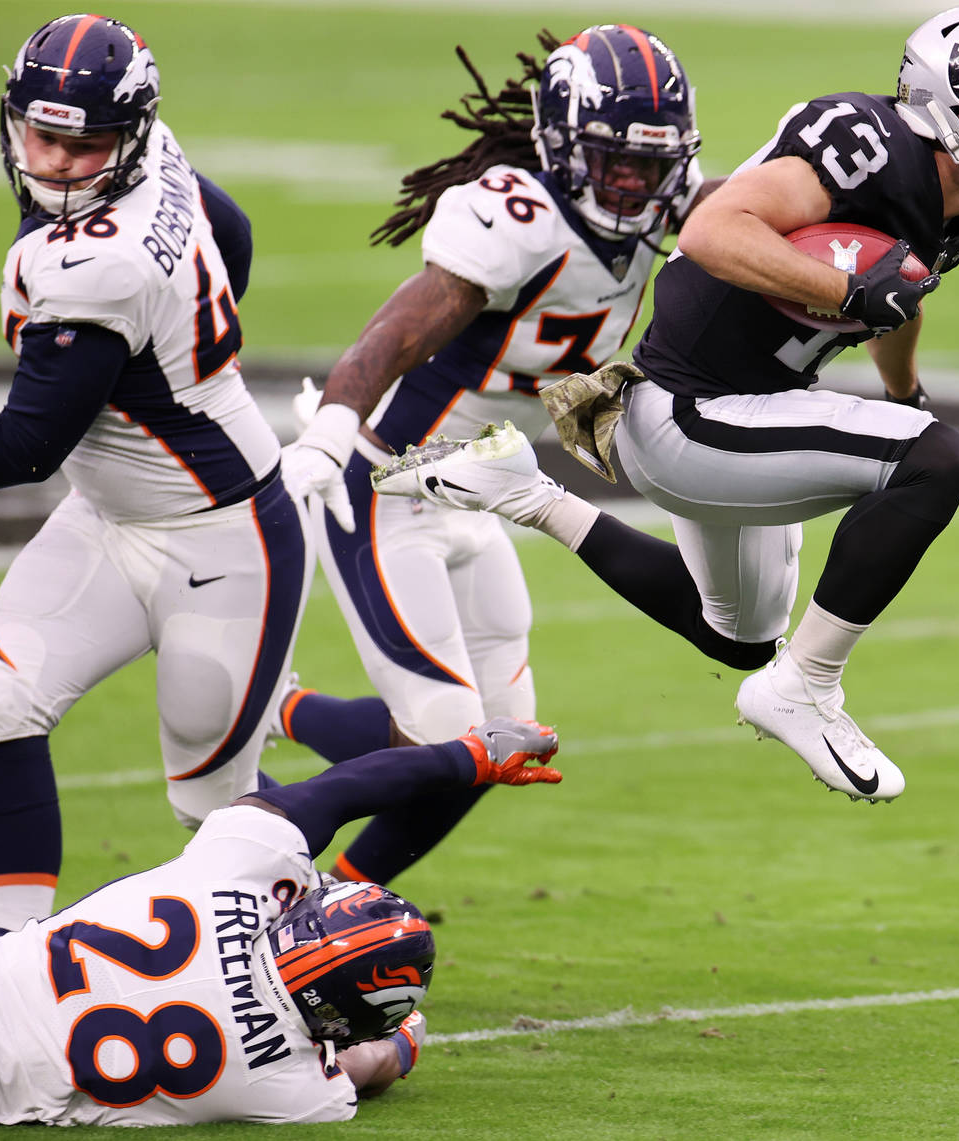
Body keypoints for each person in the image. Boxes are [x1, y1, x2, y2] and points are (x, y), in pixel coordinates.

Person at [370, 5, 959, 803]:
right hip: (691, 413)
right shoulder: (865, 145)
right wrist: (848, 290)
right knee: (935, 459)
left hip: (746, 406)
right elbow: (715, 230)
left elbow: (901, 290)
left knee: (738, 637)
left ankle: (527, 493)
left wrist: (902, 387)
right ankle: (808, 686)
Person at [277, 25, 716, 883]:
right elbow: (401, 331)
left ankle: (328, 850)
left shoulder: (675, 195)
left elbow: (751, 212)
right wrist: (333, 427)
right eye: (613, 159)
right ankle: (306, 901)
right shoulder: (516, 214)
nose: (633, 182)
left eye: (650, 164)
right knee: (452, 741)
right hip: (388, 485)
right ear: (560, 141)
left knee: (504, 742)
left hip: (478, 492)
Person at [0, 15, 313, 931]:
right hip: (110, 516)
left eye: (88, 145)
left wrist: (171, 336)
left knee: (212, 808)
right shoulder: (155, 156)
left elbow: (22, 447)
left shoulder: (98, 265)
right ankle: (12, 957)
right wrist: (187, 337)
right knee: (2, 704)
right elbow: (227, 228)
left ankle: (320, 952)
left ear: (132, 131)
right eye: (44, 136)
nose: (62, 163)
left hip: (224, 537)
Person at [0, 715, 560, 1127]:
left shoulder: (233, 872)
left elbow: (335, 792)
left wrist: (469, 756)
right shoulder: (285, 1085)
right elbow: (372, 1066)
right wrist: (405, 1039)